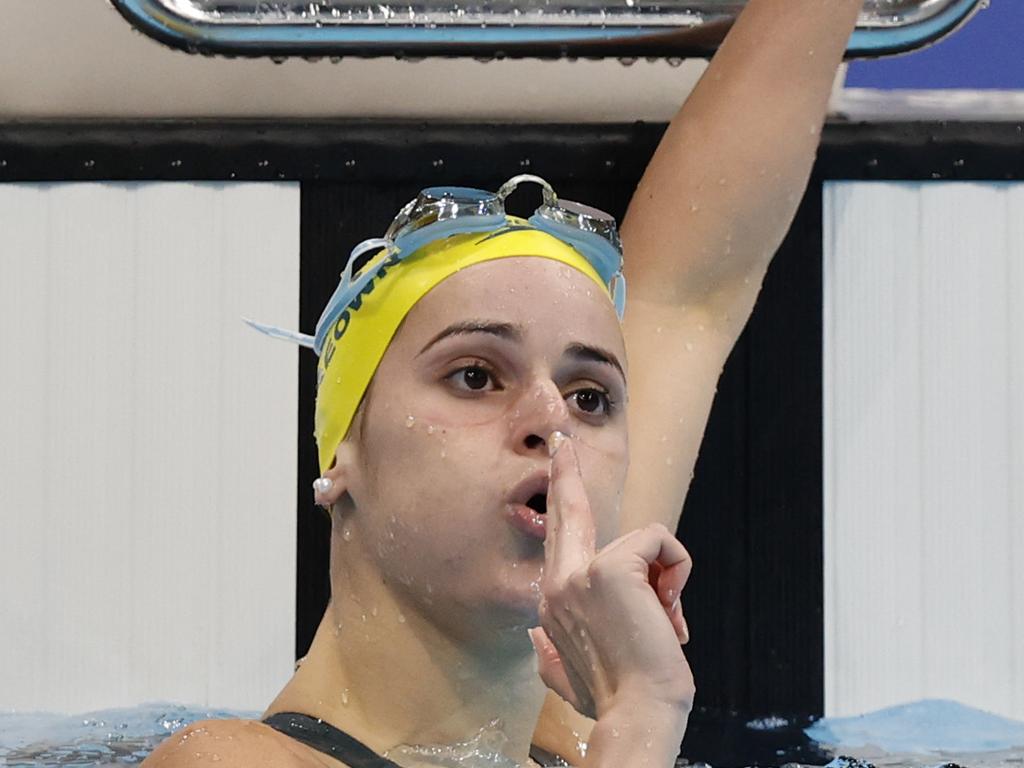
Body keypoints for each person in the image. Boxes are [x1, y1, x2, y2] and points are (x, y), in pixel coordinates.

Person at [145, 1, 864, 765]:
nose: (552, 420)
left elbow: (690, 293)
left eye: (592, 397)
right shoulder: (229, 761)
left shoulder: (581, 742)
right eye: (477, 376)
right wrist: (644, 720)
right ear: (340, 454)